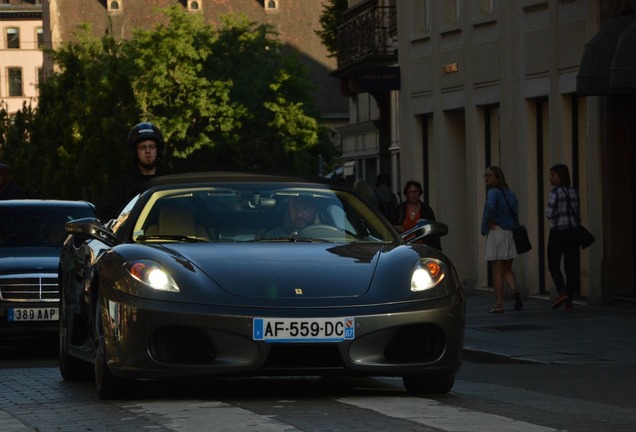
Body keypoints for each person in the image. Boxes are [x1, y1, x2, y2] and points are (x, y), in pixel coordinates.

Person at [96, 122, 166, 222]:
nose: (148, 151)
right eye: (142, 147)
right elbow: (106, 219)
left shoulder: (168, 181)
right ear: (134, 151)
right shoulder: (122, 186)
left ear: (158, 149)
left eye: (152, 146)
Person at [481, 166, 523, 313]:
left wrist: (489, 220)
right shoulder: (509, 193)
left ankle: (499, 304)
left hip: (497, 232)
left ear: (497, 177)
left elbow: (491, 207)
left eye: (489, 175)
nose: (486, 178)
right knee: (507, 269)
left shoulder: (493, 192)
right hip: (509, 233)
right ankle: (514, 291)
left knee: (497, 270)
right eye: (485, 175)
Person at [545, 164, 581, 311]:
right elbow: (578, 214)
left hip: (558, 232)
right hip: (573, 233)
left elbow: (549, 214)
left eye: (553, 175)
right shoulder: (574, 192)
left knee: (553, 264)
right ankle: (570, 301)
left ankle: (562, 292)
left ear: (560, 176)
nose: (550, 178)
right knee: (570, 267)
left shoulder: (555, 192)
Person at [393, 179, 441, 250]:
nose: (414, 194)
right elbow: (391, 226)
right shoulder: (400, 209)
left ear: (420, 193)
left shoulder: (426, 210)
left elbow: (433, 231)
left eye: (416, 192)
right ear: (407, 193)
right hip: (403, 248)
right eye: (412, 192)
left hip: (422, 248)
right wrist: (396, 228)